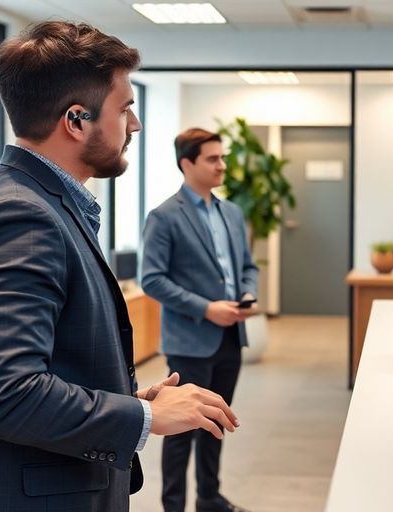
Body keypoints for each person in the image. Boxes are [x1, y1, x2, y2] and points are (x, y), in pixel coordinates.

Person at [0, 22, 238, 511]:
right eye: (125, 107)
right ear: (76, 119)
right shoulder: (19, 216)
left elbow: (47, 360)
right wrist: (143, 418)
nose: (135, 125)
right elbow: (11, 395)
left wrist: (132, 399)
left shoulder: (40, 204)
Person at [142, 127, 260, 512]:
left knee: (217, 421)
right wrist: (206, 308)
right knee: (181, 430)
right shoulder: (164, 217)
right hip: (191, 341)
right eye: (213, 159)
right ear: (186, 163)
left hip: (230, 338)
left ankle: (209, 497)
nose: (221, 165)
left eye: (222, 157)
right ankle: (173, 505)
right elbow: (152, 279)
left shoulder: (232, 212)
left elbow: (247, 266)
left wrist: (246, 293)